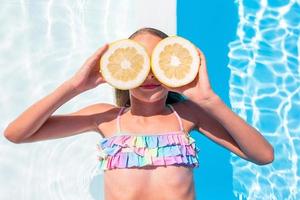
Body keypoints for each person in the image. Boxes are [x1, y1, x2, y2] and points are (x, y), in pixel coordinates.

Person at [3, 27, 274, 200]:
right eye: (140, 63)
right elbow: (16, 134)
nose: (150, 74)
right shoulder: (107, 118)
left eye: (159, 62)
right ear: (123, 69)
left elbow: (263, 155)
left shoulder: (188, 116)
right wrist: (74, 87)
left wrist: (210, 101)